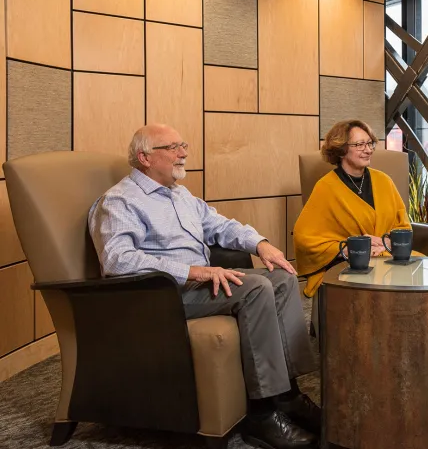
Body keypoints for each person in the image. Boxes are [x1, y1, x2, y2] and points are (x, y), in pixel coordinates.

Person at [89, 124, 319, 449]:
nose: (183, 152)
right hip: (160, 296)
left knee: (282, 279)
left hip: (196, 285)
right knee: (255, 289)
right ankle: (262, 414)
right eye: (172, 147)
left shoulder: (180, 194)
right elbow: (117, 260)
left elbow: (220, 226)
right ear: (144, 157)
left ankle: (288, 396)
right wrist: (192, 271)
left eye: (183, 145)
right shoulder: (120, 201)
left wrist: (261, 244)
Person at [294, 119, 421, 298]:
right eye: (360, 145)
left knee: (421, 276)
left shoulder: (384, 181)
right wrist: (350, 248)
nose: (368, 150)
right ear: (341, 149)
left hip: (389, 256)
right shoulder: (326, 187)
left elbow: (403, 226)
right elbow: (305, 239)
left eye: (370, 143)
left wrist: (386, 243)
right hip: (351, 262)